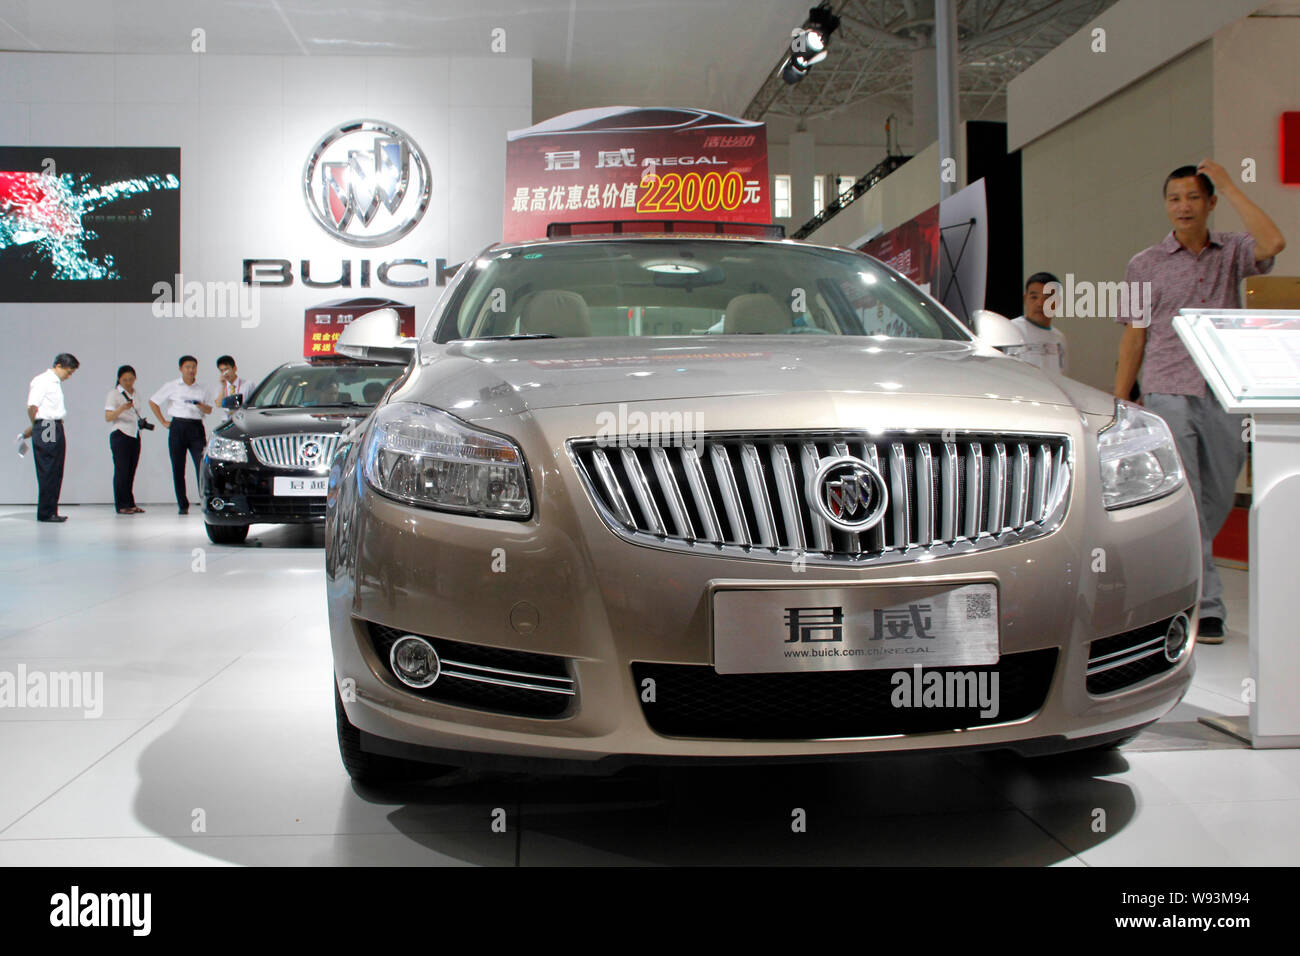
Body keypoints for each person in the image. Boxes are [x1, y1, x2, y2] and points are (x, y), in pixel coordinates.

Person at [1113, 160, 1286, 643]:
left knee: (1218, 495)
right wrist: (1120, 397)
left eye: (1193, 197)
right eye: (1173, 198)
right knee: (1187, 494)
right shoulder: (1144, 263)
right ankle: (1207, 605)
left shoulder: (1232, 251)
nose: (1182, 207)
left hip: (1224, 387)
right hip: (1168, 385)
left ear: (1209, 203)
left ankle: (1176, 571)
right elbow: (1134, 335)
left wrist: (1231, 185)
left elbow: (1274, 244)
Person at [149, 355, 212, 514]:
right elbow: (153, 401)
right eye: (187, 367)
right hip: (178, 426)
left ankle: (205, 500)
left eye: (193, 367)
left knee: (201, 465)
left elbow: (209, 410)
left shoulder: (202, 387)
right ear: (181, 369)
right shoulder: (172, 386)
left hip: (196, 427)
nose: (191, 370)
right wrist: (163, 421)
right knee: (178, 467)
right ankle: (182, 505)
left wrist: (200, 405)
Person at [26, 353, 79, 522]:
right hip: (47, 425)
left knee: (56, 468)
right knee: (48, 467)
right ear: (59, 366)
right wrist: (35, 425)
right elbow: (32, 406)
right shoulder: (43, 381)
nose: (69, 376)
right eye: (69, 372)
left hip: (54, 425)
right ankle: (46, 512)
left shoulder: (55, 383)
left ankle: (51, 510)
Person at [1007, 271, 1069, 375]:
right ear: (1025, 299)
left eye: (1048, 298)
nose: (1040, 303)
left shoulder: (1059, 338)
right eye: (1034, 297)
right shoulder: (1010, 329)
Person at [105, 365, 145, 515]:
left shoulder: (136, 394)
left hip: (135, 434)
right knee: (121, 471)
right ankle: (121, 504)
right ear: (119, 379)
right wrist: (122, 408)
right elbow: (108, 417)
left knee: (130, 471)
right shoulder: (114, 394)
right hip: (120, 434)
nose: (128, 382)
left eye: (131, 379)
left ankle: (130, 502)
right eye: (124, 380)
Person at [211, 354, 253, 422]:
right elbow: (219, 405)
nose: (225, 373)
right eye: (221, 371)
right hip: (226, 421)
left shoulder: (248, 384)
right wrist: (223, 386)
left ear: (234, 368)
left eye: (226, 369)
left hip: (243, 420)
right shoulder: (220, 387)